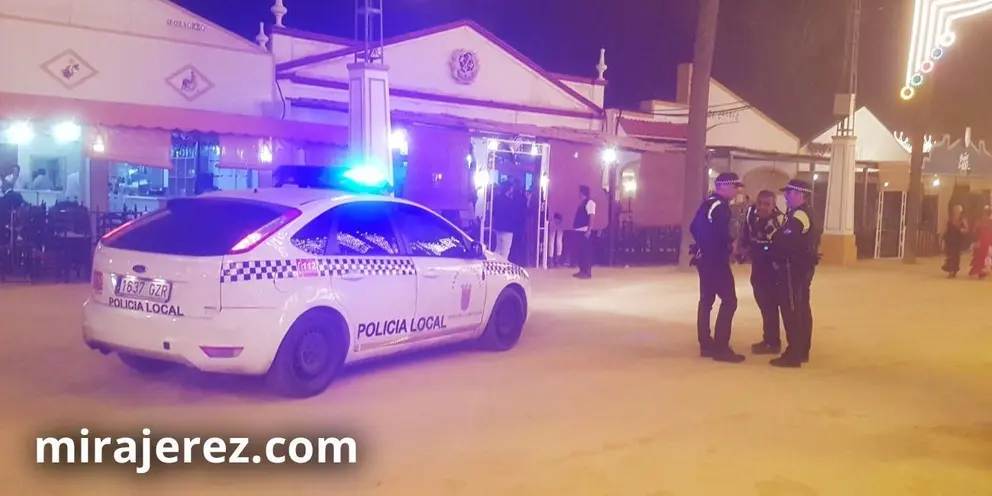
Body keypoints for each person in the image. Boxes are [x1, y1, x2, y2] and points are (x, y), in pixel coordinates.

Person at [689, 172, 745, 363]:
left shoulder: (707, 204)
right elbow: (720, 233)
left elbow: (693, 227)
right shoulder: (720, 207)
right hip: (716, 261)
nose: (737, 191)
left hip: (704, 259)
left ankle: (706, 344)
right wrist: (729, 245)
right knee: (729, 301)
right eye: (735, 187)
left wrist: (703, 245)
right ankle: (721, 347)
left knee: (706, 301)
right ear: (723, 186)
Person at [768, 179, 819, 368]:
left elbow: (786, 240)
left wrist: (773, 241)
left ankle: (794, 354)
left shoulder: (799, 215)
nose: (786, 196)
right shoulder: (805, 213)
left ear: (799, 194)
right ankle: (802, 350)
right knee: (802, 307)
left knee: (792, 309)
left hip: (793, 268)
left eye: (789, 192)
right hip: (802, 267)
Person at [738, 190, 785, 354]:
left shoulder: (778, 221)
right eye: (760, 203)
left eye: (767, 204)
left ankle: (773, 342)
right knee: (763, 304)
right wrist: (743, 249)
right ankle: (768, 339)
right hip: (758, 267)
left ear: (774, 206)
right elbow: (746, 234)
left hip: (772, 270)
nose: (763, 207)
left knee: (770, 305)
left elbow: (778, 248)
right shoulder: (751, 213)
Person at [573, 185, 596, 279]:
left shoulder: (590, 203)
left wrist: (589, 230)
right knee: (580, 252)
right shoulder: (582, 203)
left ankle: (587, 272)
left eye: (580, 192)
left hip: (584, 231)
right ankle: (582, 270)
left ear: (583, 193)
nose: (579, 194)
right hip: (578, 230)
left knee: (585, 252)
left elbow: (592, 217)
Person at [942, 204, 969, 278]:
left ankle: (953, 271)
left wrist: (960, 230)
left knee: (955, 255)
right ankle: (950, 270)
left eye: (957, 210)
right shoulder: (950, 219)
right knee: (950, 255)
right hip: (949, 239)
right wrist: (943, 236)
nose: (955, 212)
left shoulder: (962, 219)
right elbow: (946, 229)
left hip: (957, 239)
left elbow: (967, 229)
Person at [492, 181, 515, 259]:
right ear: (509, 189)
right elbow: (512, 215)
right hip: (507, 228)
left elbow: (494, 212)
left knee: (498, 249)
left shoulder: (496, 199)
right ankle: (503, 264)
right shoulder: (510, 202)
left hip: (498, 227)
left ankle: (495, 262)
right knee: (505, 250)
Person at [968, 206, 992, 279]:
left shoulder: (983, 222)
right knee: (985, 257)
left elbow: (978, 232)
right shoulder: (983, 222)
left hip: (985, 243)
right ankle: (983, 271)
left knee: (985, 256)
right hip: (985, 243)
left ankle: (984, 270)